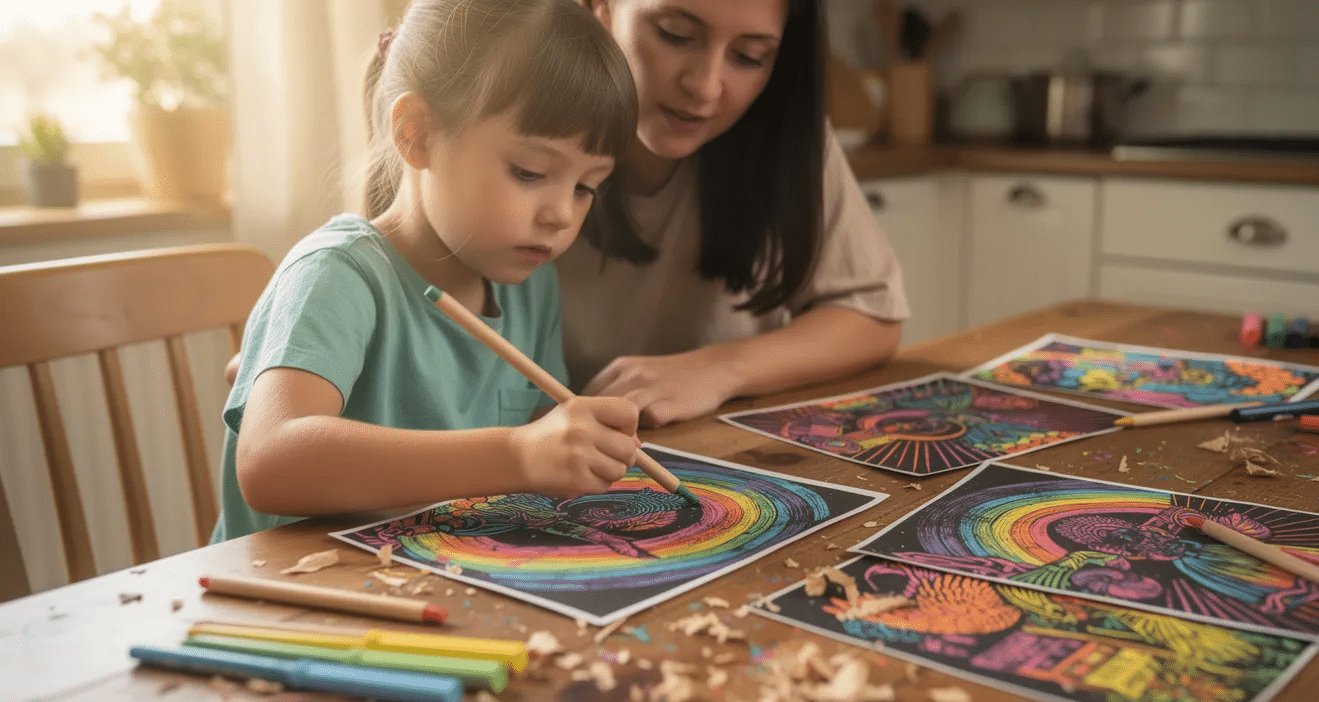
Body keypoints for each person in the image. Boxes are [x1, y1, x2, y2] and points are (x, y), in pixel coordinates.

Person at [213, 0, 643, 542]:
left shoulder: (533, 286)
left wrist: (571, 450)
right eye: (529, 172)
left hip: (437, 581)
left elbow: (540, 439)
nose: (561, 214)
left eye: (586, 187)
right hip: (286, 601)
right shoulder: (338, 275)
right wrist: (515, 453)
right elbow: (269, 462)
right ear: (416, 134)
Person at [559, 0, 910, 428]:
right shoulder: (513, 118)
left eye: (749, 57)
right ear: (599, 6)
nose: (705, 87)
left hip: (720, 450)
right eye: (676, 34)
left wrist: (720, 369)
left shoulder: (786, 135)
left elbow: (870, 314)